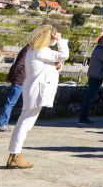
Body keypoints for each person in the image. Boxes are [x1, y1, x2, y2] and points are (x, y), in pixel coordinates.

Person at [5, 23, 70, 169]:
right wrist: (60, 40)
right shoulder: (41, 50)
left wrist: (57, 66)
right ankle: (15, 155)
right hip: (37, 91)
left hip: (33, 89)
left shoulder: (34, 50)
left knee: (23, 122)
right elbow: (64, 55)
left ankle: (13, 155)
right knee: (25, 124)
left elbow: (48, 68)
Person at [78, 35, 103, 124]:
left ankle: (84, 118)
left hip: (95, 76)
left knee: (89, 97)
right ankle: (83, 118)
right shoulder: (100, 51)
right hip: (96, 76)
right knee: (89, 98)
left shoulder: (97, 50)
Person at [0, 45, 29, 131]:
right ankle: (2, 124)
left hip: (20, 79)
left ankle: (4, 123)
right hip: (20, 80)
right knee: (10, 102)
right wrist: (13, 77)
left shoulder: (28, 49)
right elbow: (19, 64)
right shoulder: (29, 49)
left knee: (11, 102)